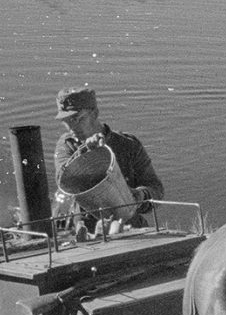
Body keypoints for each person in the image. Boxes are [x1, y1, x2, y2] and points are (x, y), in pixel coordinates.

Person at [53, 86, 164, 230]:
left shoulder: (127, 145)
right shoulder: (67, 145)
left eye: (78, 119)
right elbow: (64, 182)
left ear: (95, 113)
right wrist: (86, 154)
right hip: (86, 231)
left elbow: (156, 190)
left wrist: (140, 195)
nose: (71, 127)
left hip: (130, 227)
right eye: (66, 121)